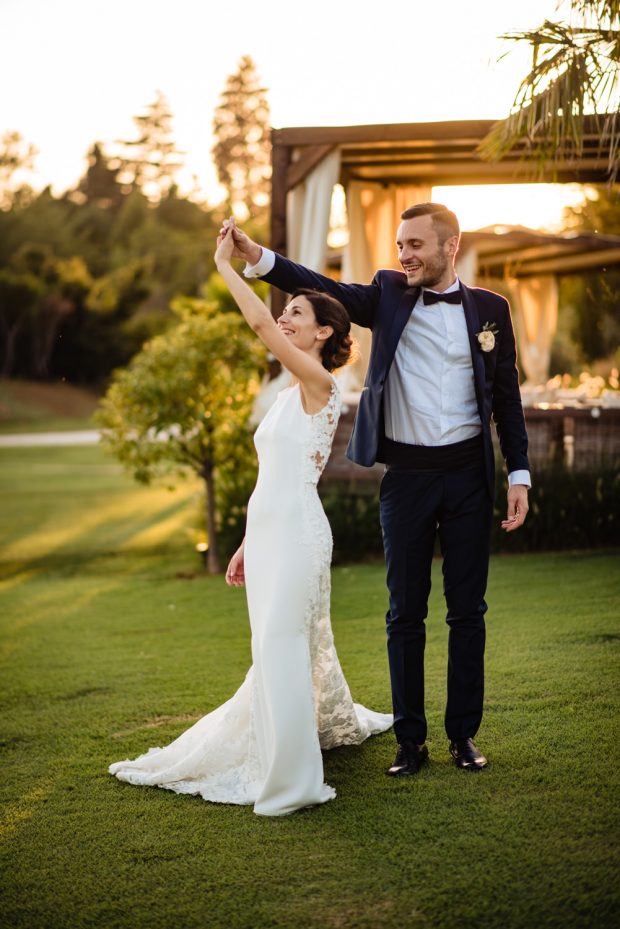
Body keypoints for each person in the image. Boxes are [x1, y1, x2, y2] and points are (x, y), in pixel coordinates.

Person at [224, 202, 530, 776]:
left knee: (468, 611)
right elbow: (320, 285)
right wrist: (257, 257)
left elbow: (507, 397)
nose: (404, 254)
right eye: (399, 245)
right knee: (404, 613)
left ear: (450, 247)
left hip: (469, 475)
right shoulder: (388, 293)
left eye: (415, 245)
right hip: (406, 476)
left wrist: (519, 473)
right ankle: (410, 742)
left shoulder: (492, 310)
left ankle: (463, 736)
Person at [108, 222, 392, 816]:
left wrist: (224, 267)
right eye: (284, 311)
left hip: (299, 536)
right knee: (271, 645)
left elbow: (260, 326)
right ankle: (295, 737)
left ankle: (291, 780)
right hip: (267, 536)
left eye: (296, 313)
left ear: (325, 332)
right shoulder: (287, 396)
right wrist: (244, 543)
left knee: (283, 643)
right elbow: (272, 478)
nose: (284, 318)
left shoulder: (320, 384)